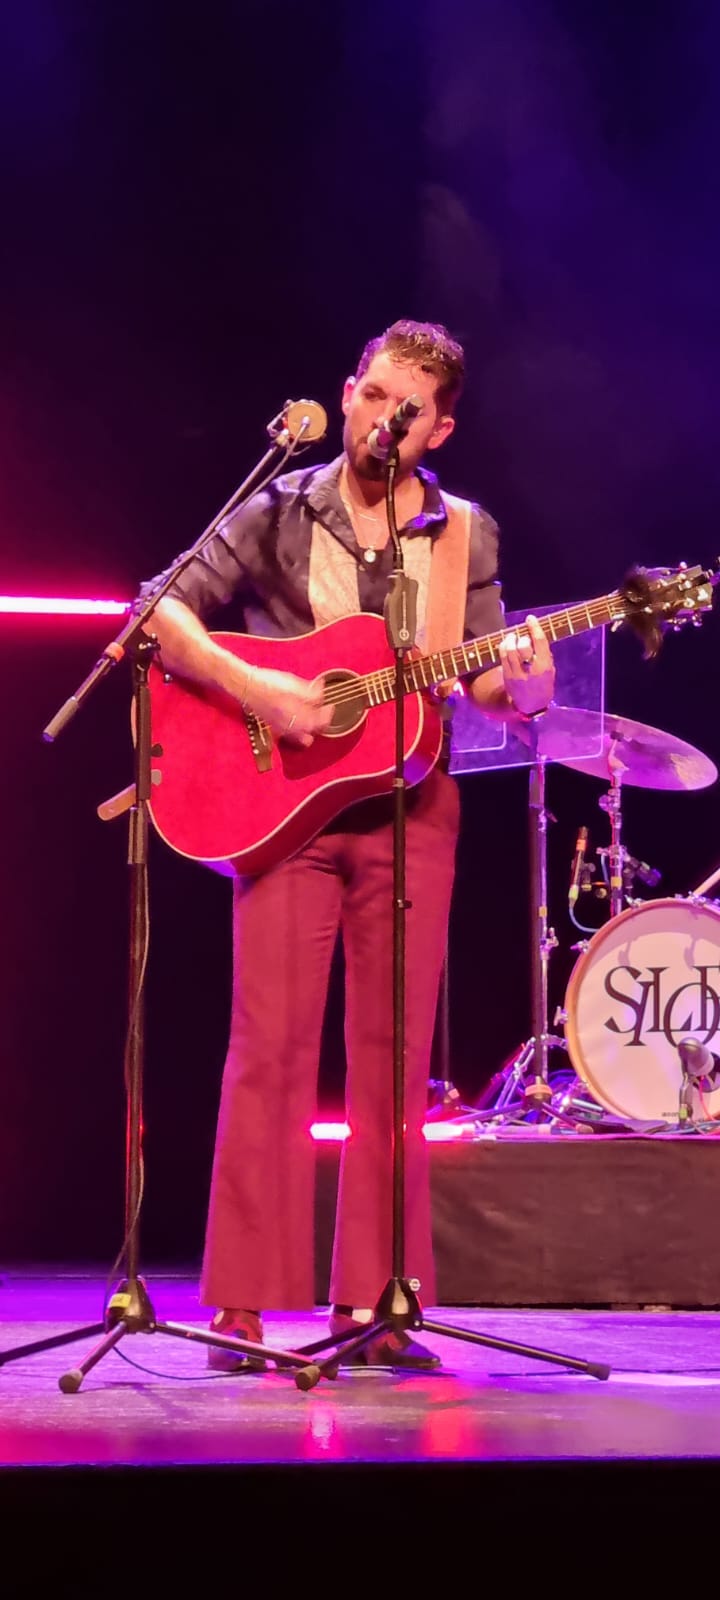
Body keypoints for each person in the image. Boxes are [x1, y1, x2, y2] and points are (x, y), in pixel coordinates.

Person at [145, 319, 555, 1369]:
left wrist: (524, 683)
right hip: (286, 807)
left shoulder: (464, 533)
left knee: (392, 1064)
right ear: (348, 391)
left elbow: (483, 674)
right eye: (372, 395)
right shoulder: (277, 508)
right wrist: (263, 691)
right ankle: (240, 1308)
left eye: (406, 410)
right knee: (269, 1050)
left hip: (415, 810)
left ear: (439, 430)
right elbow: (159, 613)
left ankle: (376, 1304)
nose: (383, 419)